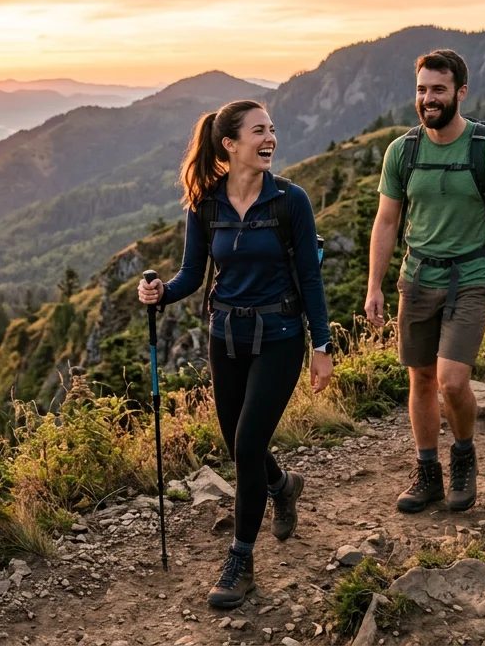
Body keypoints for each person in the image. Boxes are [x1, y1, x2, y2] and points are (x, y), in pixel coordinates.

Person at [138, 99, 332, 609]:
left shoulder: (290, 200)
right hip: (224, 337)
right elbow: (192, 273)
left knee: (247, 446)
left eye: (272, 130)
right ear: (229, 144)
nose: (270, 139)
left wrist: (322, 344)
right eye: (258, 131)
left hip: (280, 336)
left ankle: (240, 561)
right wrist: (161, 292)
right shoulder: (205, 204)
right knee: (239, 445)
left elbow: (310, 278)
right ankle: (282, 485)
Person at [365, 49, 485, 514]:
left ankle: (463, 455)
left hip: (472, 276)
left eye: (438, 89)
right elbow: (386, 221)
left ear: (461, 92)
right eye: (421, 89)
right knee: (420, 378)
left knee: (453, 382)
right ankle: (427, 472)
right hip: (417, 277)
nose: (428, 98)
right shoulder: (403, 151)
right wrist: (374, 286)